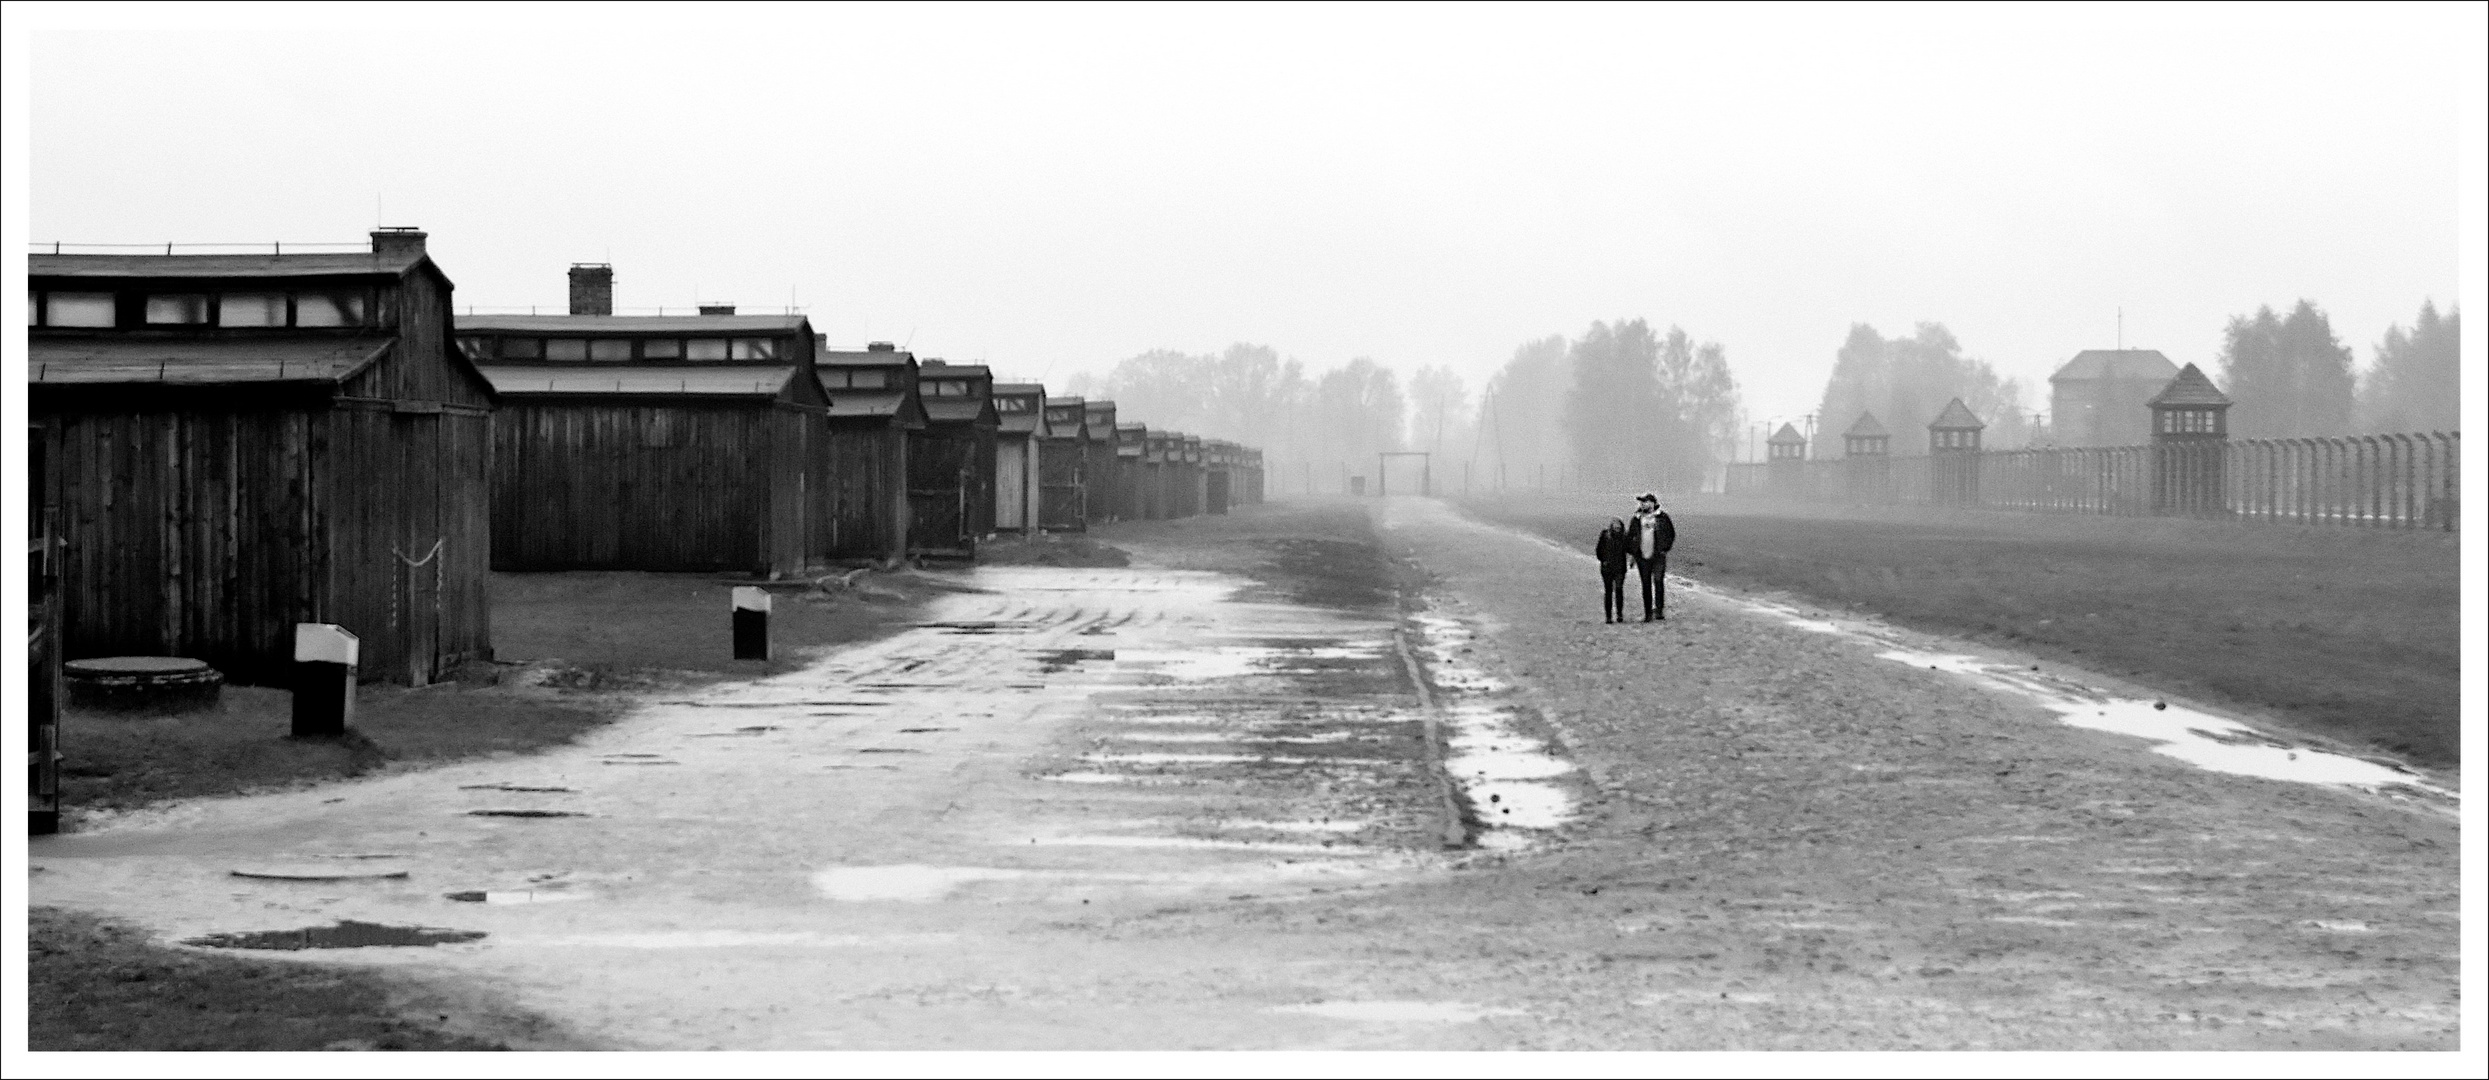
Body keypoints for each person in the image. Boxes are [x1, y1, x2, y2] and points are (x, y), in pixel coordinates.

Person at [1625, 492, 1675, 621]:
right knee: (1645, 584)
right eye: (1641, 502)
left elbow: (1671, 534)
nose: (1642, 504)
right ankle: (1648, 612)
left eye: (1645, 501)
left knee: (1658, 581)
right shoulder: (1636, 519)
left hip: (1658, 555)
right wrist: (1632, 554)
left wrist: (1665, 548)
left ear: (1653, 503)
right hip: (1642, 556)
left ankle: (1659, 610)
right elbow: (1630, 537)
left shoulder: (1662, 517)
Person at [1594, 517, 1630, 623]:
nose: (1617, 528)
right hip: (1607, 568)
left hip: (1620, 568)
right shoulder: (1605, 535)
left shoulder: (1624, 537)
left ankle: (1619, 614)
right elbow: (1599, 549)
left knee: (1619, 590)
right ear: (1612, 526)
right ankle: (1608, 616)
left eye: (1619, 526)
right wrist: (1603, 560)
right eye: (1615, 526)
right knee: (1608, 591)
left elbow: (1630, 548)